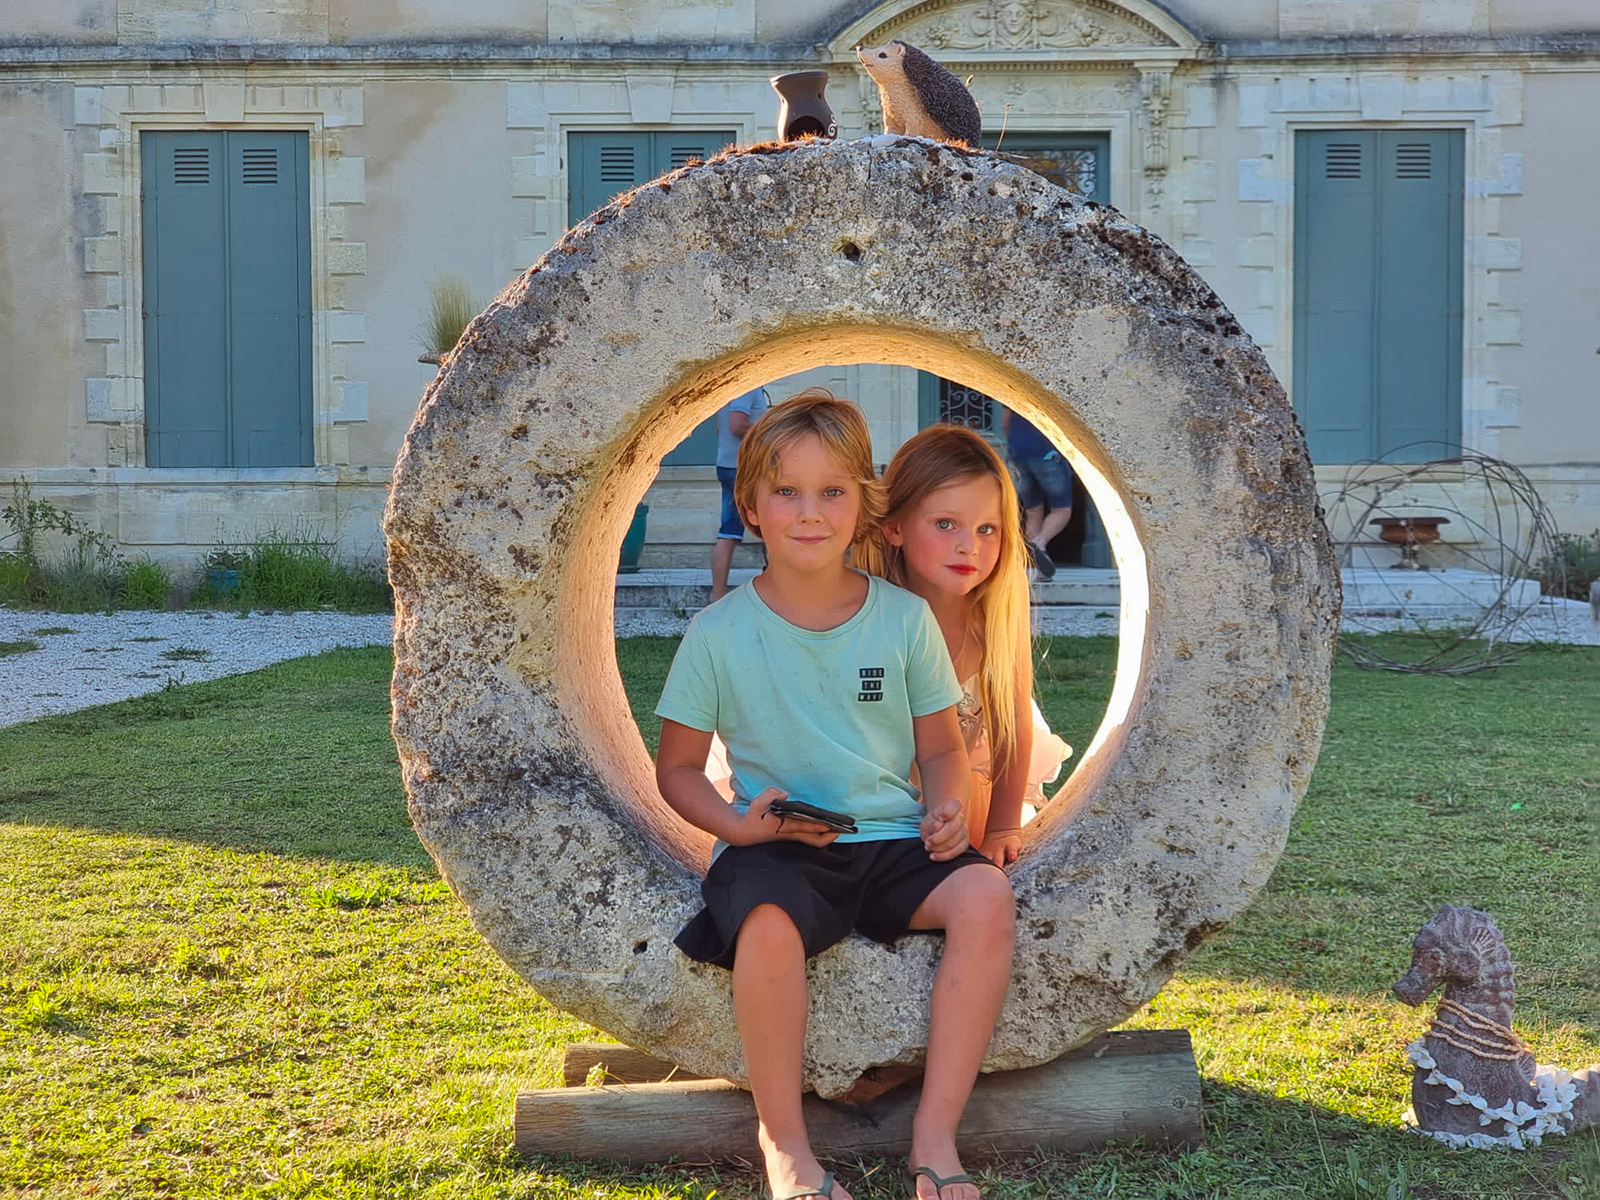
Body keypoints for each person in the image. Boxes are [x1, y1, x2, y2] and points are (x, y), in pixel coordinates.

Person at [655, 389, 1016, 1200]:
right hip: (779, 846)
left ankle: (935, 1135)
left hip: (891, 840)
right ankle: (785, 1145)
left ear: (863, 505)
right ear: (751, 506)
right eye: (787, 491)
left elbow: (940, 748)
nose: (810, 512)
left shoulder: (903, 621)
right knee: (767, 924)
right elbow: (676, 770)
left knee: (987, 899)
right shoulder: (718, 634)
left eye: (832, 491)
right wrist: (737, 829)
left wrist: (949, 805)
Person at [860, 424, 1072, 867]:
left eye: (987, 528)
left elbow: (1012, 720)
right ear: (894, 527)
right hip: (871, 812)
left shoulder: (994, 606)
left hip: (962, 807)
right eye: (945, 524)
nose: (968, 546)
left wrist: (1002, 827)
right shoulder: (868, 608)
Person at [711, 386, 771, 601]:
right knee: (771, 525)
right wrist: (770, 429)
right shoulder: (747, 387)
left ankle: (717, 597)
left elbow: (720, 428)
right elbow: (736, 425)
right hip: (744, 469)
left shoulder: (730, 389)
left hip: (727, 466)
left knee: (728, 532)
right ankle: (775, 589)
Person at [999, 409, 1072, 581]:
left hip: (1018, 454)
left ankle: (1034, 569)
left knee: (1033, 509)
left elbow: (1004, 423)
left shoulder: (1016, 395)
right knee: (1062, 509)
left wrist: (1016, 445)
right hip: (1048, 453)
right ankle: (1039, 542)